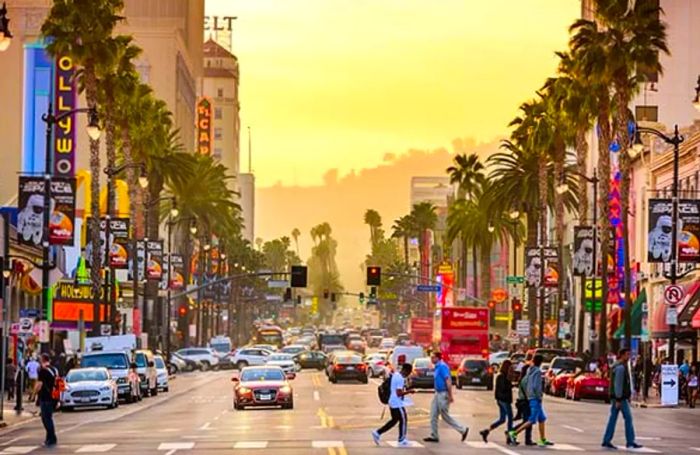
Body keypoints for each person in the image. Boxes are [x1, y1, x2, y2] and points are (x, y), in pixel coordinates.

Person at [423, 352, 469, 443]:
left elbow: (448, 380)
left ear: (438, 358)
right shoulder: (437, 367)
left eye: (433, 357)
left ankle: (462, 429)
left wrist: (450, 395)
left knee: (445, 415)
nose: (431, 359)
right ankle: (434, 435)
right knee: (433, 414)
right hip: (437, 393)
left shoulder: (442, 366)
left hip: (443, 393)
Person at [508, 354, 553, 447]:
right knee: (532, 419)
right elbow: (536, 386)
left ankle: (543, 439)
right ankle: (514, 433)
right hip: (535, 398)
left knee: (542, 418)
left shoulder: (529, 370)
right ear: (540, 362)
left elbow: (526, 383)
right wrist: (539, 396)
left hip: (530, 397)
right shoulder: (537, 372)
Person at [602, 348, 642, 450]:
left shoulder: (618, 366)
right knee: (628, 418)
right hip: (620, 398)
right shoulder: (620, 367)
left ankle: (607, 440)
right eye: (627, 355)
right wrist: (619, 399)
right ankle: (630, 441)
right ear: (622, 355)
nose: (629, 357)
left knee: (613, 418)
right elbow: (618, 384)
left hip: (618, 397)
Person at [372, 363, 416, 447]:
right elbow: (399, 393)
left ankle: (377, 432)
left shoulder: (396, 375)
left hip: (392, 401)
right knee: (403, 420)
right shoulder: (400, 379)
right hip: (397, 403)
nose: (409, 374)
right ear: (407, 371)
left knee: (394, 420)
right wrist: (409, 391)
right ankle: (402, 440)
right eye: (409, 372)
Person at [479, 360, 516, 445]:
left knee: (502, 419)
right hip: (504, 400)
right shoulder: (502, 377)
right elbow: (504, 388)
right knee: (510, 417)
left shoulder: (502, 376)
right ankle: (510, 437)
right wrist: (510, 384)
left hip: (501, 399)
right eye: (510, 367)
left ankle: (486, 431)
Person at [35, 353, 58, 447]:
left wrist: (33, 394)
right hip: (53, 396)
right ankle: (49, 437)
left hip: (45, 397)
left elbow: (39, 385)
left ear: (43, 359)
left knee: (46, 418)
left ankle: (52, 438)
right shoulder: (54, 369)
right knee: (49, 417)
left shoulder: (43, 370)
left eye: (40, 359)